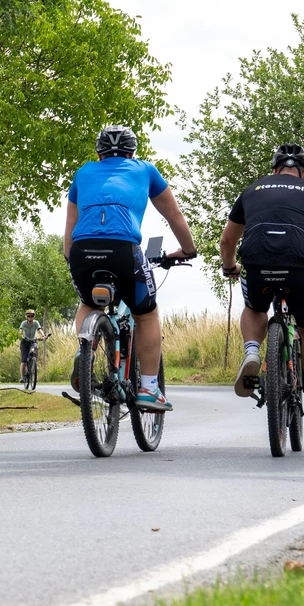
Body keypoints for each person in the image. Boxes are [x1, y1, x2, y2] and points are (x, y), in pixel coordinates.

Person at [63, 125, 197, 411]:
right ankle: (149, 388)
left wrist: (69, 255)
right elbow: (173, 214)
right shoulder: (145, 169)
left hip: (82, 250)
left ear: (98, 153)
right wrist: (188, 249)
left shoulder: (84, 172)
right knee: (146, 314)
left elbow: (70, 222)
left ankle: (84, 351)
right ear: (132, 152)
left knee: (88, 303)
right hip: (123, 248)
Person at [219, 143, 304, 420]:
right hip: (298, 267)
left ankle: (253, 351)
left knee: (255, 307)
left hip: (256, 265)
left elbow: (227, 240)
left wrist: (230, 266)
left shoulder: (252, 190)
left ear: (274, 170)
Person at [19, 310, 46, 383]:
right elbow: (20, 331)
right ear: (26, 317)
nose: (30, 317)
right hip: (24, 342)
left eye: (32, 316)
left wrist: (43, 336)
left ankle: (35, 362)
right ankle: (22, 377)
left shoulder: (36, 323)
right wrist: (19, 335)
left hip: (32, 341)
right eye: (29, 316)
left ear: (34, 317)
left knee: (36, 347)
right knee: (24, 360)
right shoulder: (24, 323)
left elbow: (39, 330)